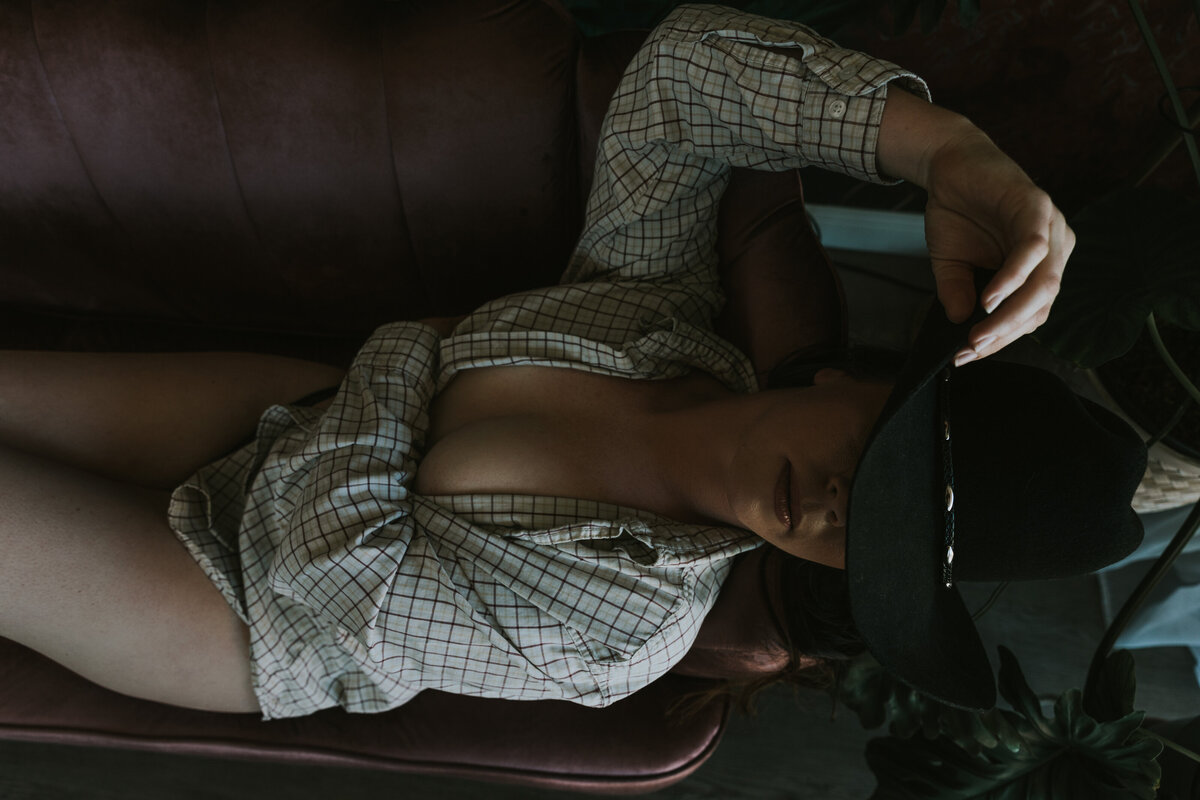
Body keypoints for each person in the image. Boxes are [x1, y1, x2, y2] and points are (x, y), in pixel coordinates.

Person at [0, 4, 1127, 720]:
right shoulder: (653, 318)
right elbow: (678, 84)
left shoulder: (626, 628)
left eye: (866, 540)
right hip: (279, 421)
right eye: (870, 467)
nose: (832, 507)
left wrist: (409, 354)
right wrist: (945, 150)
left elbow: (335, 573)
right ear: (851, 379)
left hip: (241, 610)